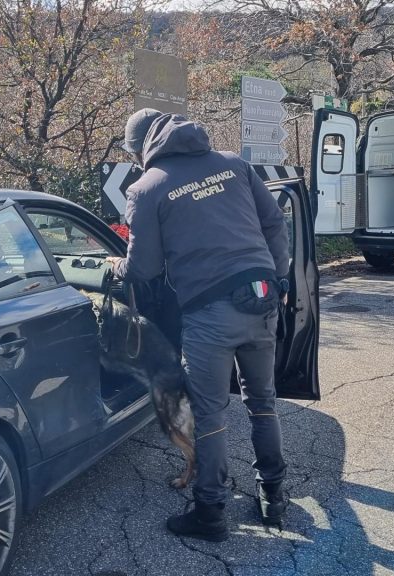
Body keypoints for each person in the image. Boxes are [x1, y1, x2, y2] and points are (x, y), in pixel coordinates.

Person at [106, 108, 291, 541]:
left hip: (210, 313)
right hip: (262, 298)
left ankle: (209, 514)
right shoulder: (234, 164)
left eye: (133, 152)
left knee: (210, 415)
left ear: (141, 147)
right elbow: (275, 222)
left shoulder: (146, 188)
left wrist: (116, 267)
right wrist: (277, 277)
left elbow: (144, 268)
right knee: (263, 402)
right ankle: (274, 498)